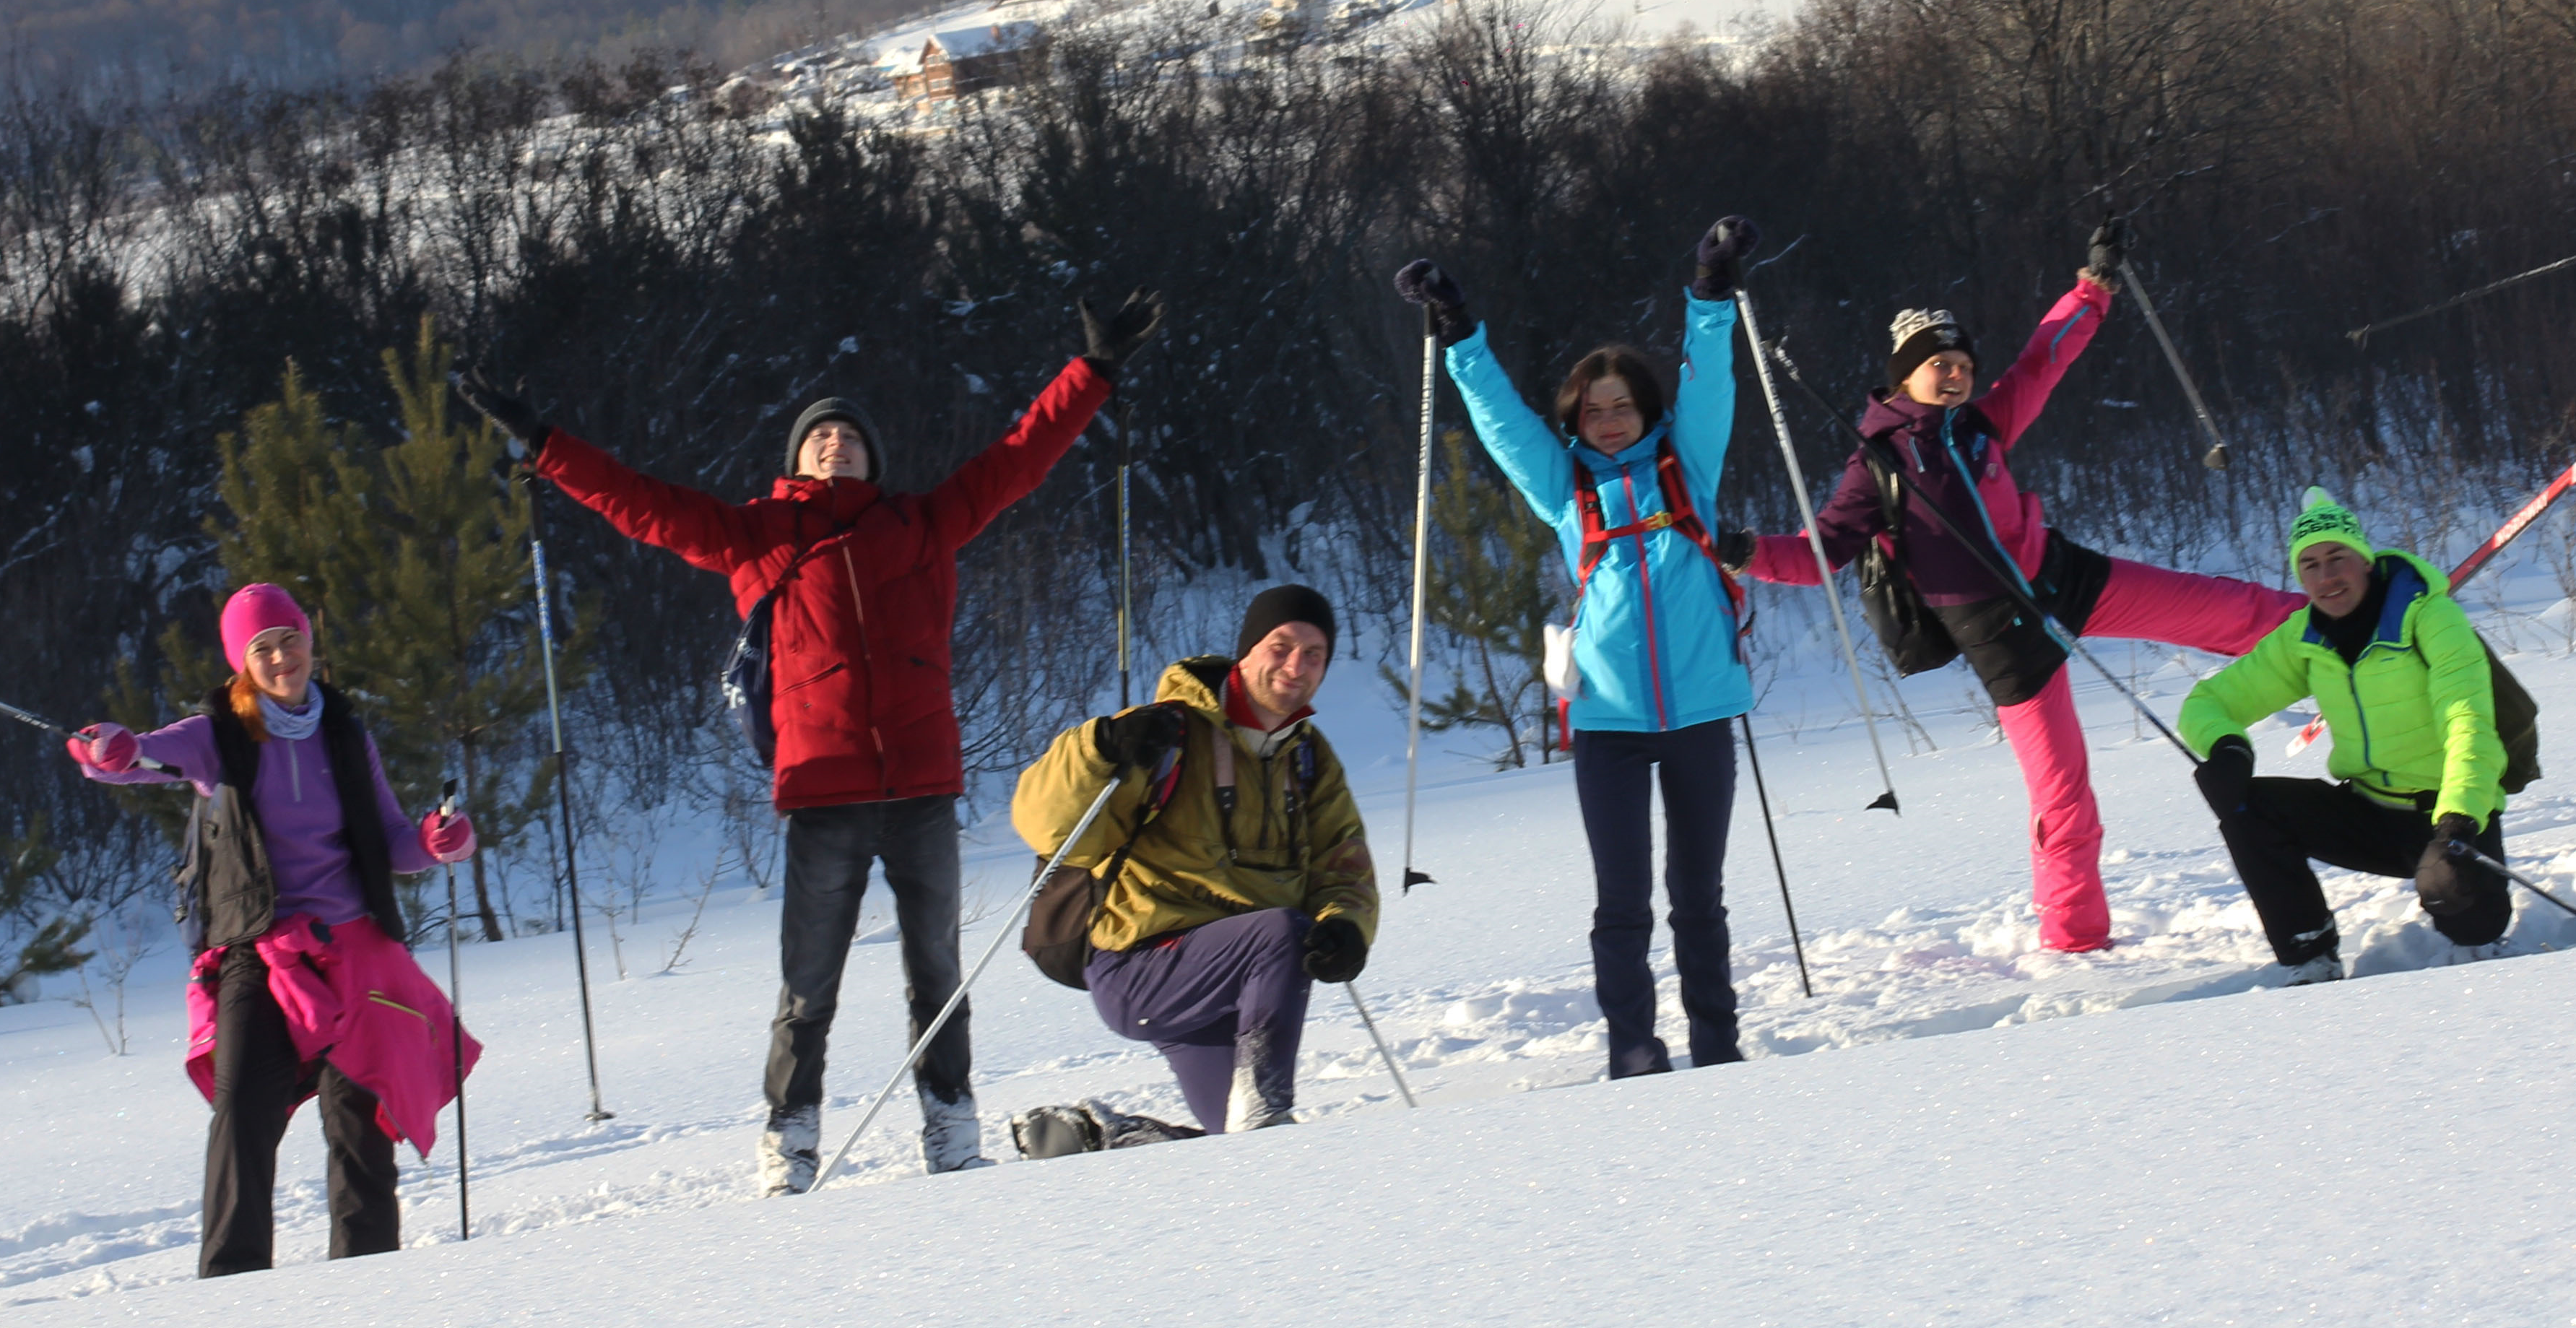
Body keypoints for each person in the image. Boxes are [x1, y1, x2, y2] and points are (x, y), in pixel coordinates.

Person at [453, 292, 1158, 1193]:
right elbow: (638, 502)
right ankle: (788, 1141)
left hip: (919, 788)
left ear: (873, 458)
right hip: (821, 788)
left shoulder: (923, 522)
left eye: (850, 437)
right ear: (795, 459)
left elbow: (1021, 457)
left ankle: (950, 1131)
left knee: (936, 973)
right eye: (819, 437)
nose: (835, 443)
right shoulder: (755, 534)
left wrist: (1090, 371)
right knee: (807, 986)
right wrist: (543, 444)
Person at [1723, 225, 2302, 953]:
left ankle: (2338, 627)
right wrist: (1745, 552)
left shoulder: (1980, 425)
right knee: (2065, 804)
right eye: (1937, 363)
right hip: (2004, 642)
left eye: (1961, 361)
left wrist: (2090, 291)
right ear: (1904, 375)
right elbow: (1817, 555)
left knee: (2227, 609)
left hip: (2063, 580)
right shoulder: (1876, 464)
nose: (1955, 373)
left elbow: (2042, 362)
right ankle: (2075, 944)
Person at [1389, 217, 1756, 1077]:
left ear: (1646, 408)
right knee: (1621, 908)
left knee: (1697, 902)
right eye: (1593, 411)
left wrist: (1709, 290)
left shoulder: (1686, 467)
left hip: (1701, 711)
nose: (1609, 420)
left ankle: (1719, 1051)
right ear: (1577, 421)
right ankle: (1633, 1056)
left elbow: (1711, 387)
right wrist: (1458, 333)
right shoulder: (1565, 492)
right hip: (1609, 725)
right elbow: (1503, 427)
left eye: (1622, 404)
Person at [69, 583, 483, 1278]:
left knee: (359, 1127)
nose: (282, 656)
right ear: (242, 662)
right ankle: (231, 1289)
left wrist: (440, 842)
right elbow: (142, 757)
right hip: (258, 952)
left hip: (357, 953)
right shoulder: (218, 735)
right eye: (263, 647)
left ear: (309, 640)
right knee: (242, 1116)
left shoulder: (346, 732)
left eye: (290, 638)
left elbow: (390, 842)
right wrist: (109, 750)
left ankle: (369, 1284)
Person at [1011, 585, 1379, 1134]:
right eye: (1280, 647)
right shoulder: (1168, 732)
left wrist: (1345, 927)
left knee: (1241, 1155)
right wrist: (1100, 747)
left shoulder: (1308, 757)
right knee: (1280, 937)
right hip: (1142, 967)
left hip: (1233, 988)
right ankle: (1265, 1106)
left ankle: (1104, 1140)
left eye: (1314, 654)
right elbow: (1047, 825)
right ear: (1248, 650)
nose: (1295, 666)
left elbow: (1341, 859)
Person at [2176, 490, 2512, 986]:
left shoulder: (2431, 618)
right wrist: (2227, 747)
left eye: (2338, 558)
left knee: (2474, 927)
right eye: (2309, 565)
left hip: (2448, 817)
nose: (2326, 577)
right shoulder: (2305, 638)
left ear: (2365, 561)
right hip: (2368, 813)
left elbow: (2471, 726)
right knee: (2247, 805)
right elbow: (2205, 702)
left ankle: (2479, 933)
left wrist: (2457, 825)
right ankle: (2310, 956)